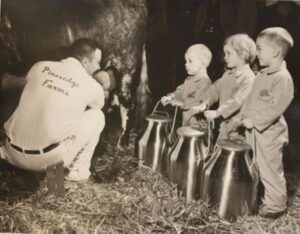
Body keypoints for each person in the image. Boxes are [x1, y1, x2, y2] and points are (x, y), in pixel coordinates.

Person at [0, 38, 105, 182]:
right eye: (98, 62)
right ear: (86, 61)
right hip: (47, 161)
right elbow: (98, 105)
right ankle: (75, 173)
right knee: (97, 116)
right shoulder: (91, 85)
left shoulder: (39, 66)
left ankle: (22, 172)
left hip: (11, 152)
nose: (98, 68)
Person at [236, 27, 294, 219]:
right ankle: (257, 197)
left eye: (260, 49)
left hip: (270, 133)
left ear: (275, 52)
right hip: (253, 130)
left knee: (270, 168)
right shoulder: (262, 74)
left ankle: (276, 205)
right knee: (254, 164)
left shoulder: (282, 79)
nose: (256, 53)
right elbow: (251, 98)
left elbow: (276, 107)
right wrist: (242, 115)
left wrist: (254, 120)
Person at [190, 34, 256, 140]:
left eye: (228, 54)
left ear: (243, 54)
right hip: (224, 125)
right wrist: (205, 103)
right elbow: (215, 89)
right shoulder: (228, 74)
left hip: (238, 129)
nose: (225, 57)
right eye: (225, 53)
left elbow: (238, 100)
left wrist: (218, 112)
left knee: (231, 153)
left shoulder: (248, 78)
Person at [161, 44, 212, 125]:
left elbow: (195, 102)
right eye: (186, 61)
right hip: (187, 118)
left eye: (190, 61)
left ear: (202, 64)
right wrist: (170, 96)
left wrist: (176, 102)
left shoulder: (205, 82)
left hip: (197, 123)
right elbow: (181, 90)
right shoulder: (189, 80)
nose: (186, 64)